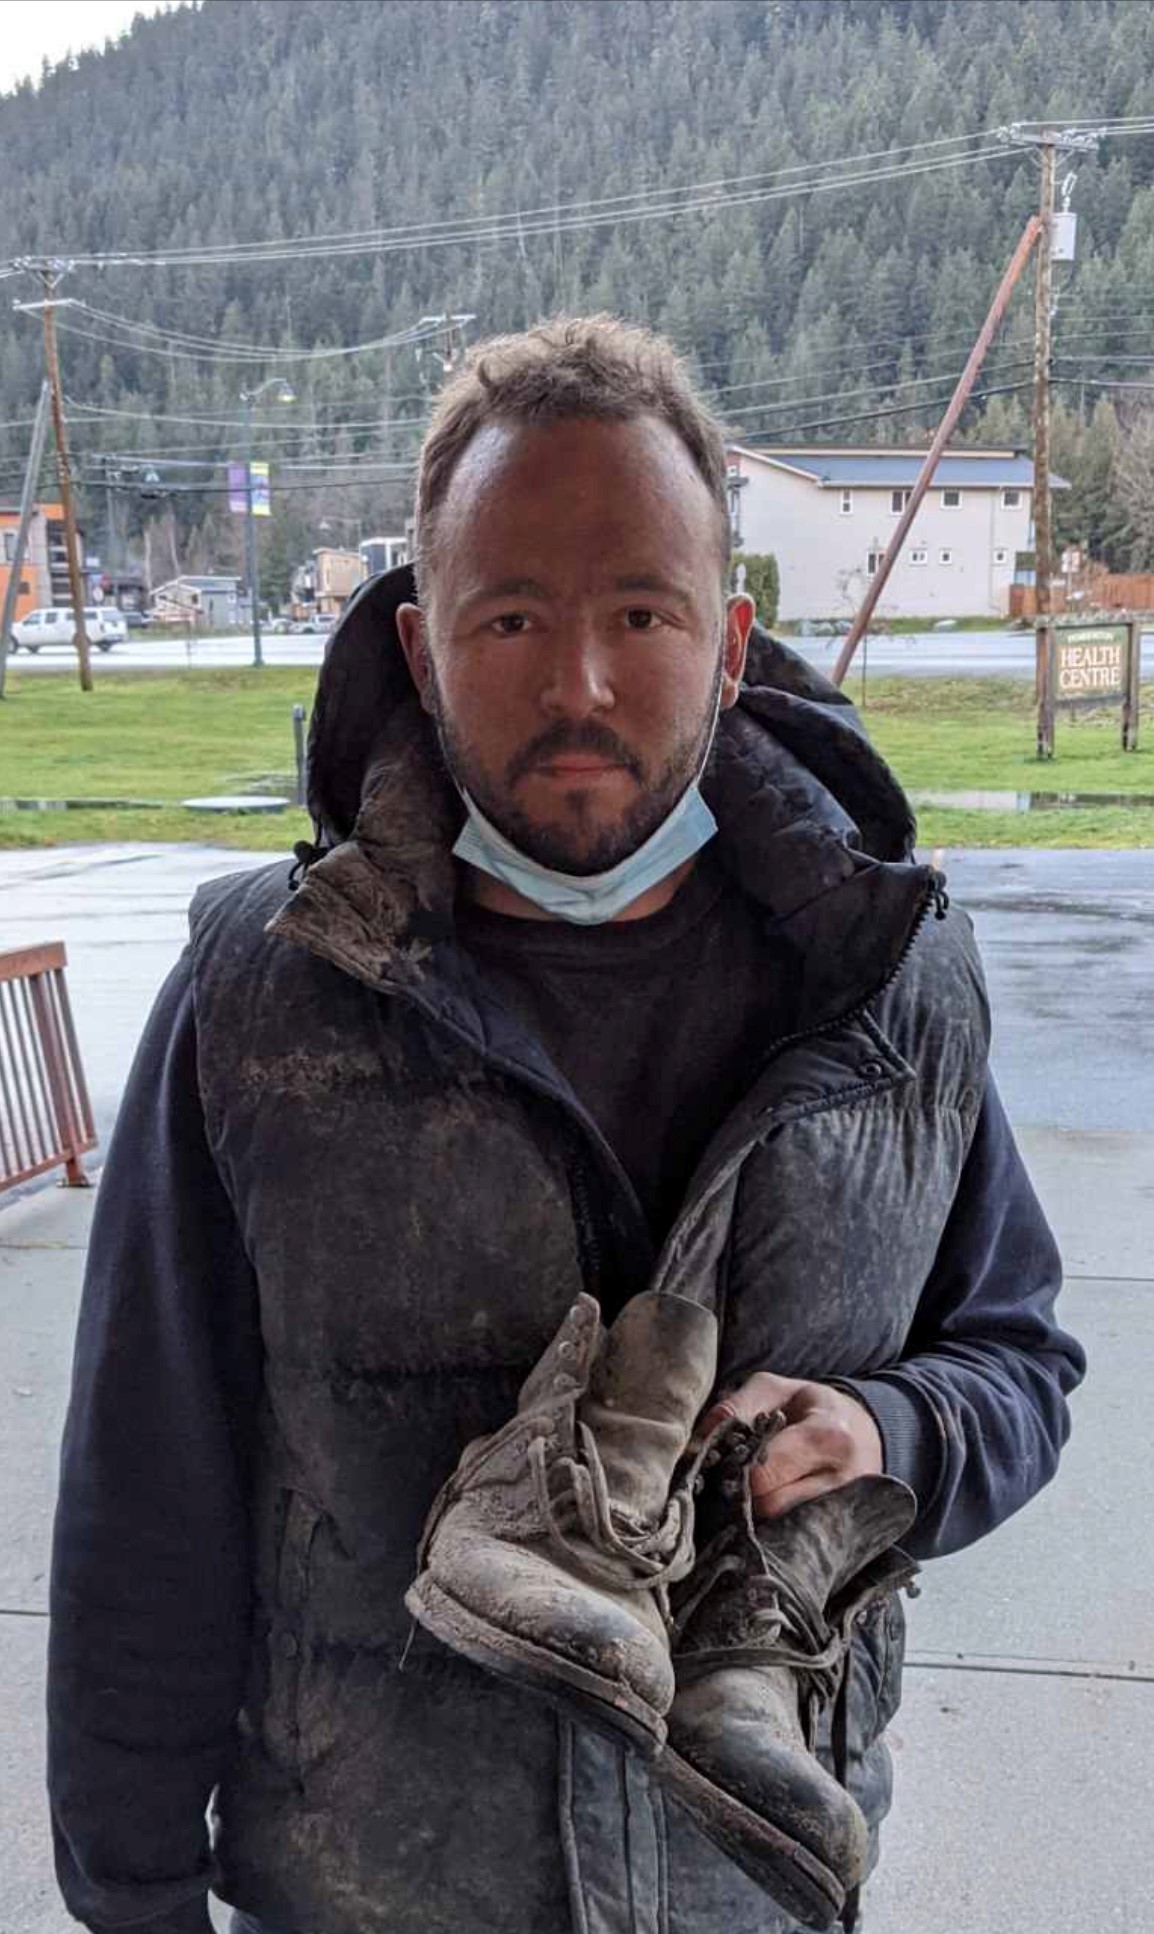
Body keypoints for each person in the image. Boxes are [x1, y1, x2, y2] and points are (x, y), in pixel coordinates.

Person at [48, 317, 1084, 1934]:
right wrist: (131, 1896)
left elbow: (1017, 1355)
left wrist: (891, 1433)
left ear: (728, 642)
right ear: (418, 645)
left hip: (745, 1890)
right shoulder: (259, 996)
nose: (577, 681)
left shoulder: (892, 985)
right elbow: (143, 1496)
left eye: (639, 612)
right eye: (510, 614)